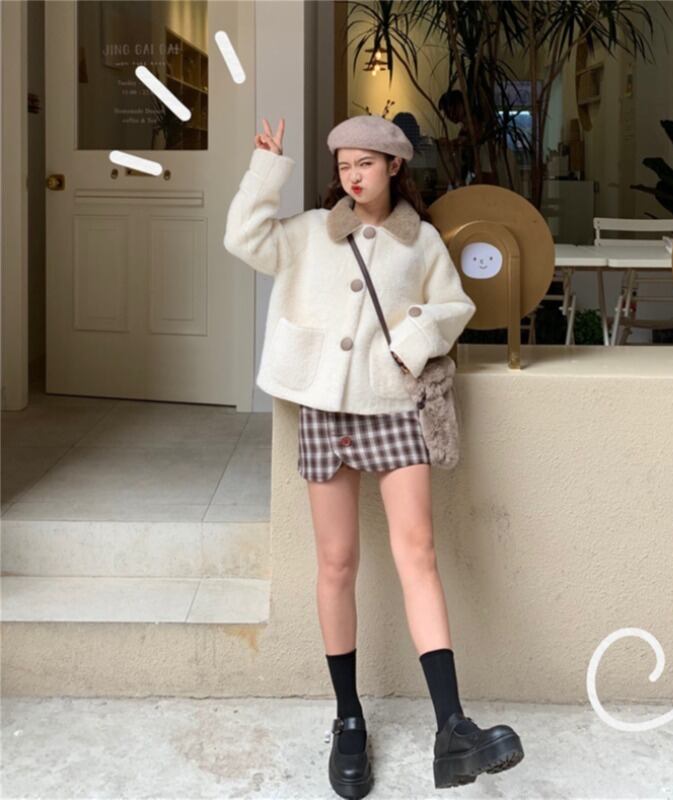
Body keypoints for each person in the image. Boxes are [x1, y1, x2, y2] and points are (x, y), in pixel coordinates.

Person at [223, 114, 524, 797]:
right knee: (336, 563)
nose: (353, 176)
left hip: (392, 405)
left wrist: (411, 340)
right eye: (343, 166)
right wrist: (267, 169)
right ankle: (349, 719)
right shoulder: (308, 233)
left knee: (418, 554)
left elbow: (453, 306)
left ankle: (453, 727)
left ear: (394, 166)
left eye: (365, 163)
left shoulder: (422, 242)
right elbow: (242, 238)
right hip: (326, 407)